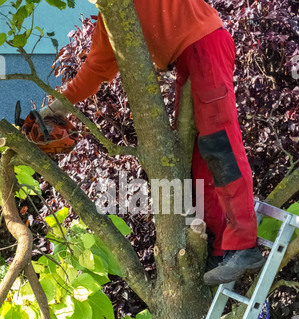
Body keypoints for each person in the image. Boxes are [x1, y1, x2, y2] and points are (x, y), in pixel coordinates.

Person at [40, 0, 265, 286]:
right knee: (198, 156)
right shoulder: (113, 15)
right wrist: (60, 105)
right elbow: (96, 68)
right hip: (189, 55)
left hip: (204, 44)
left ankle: (243, 244)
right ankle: (220, 248)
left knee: (220, 144)